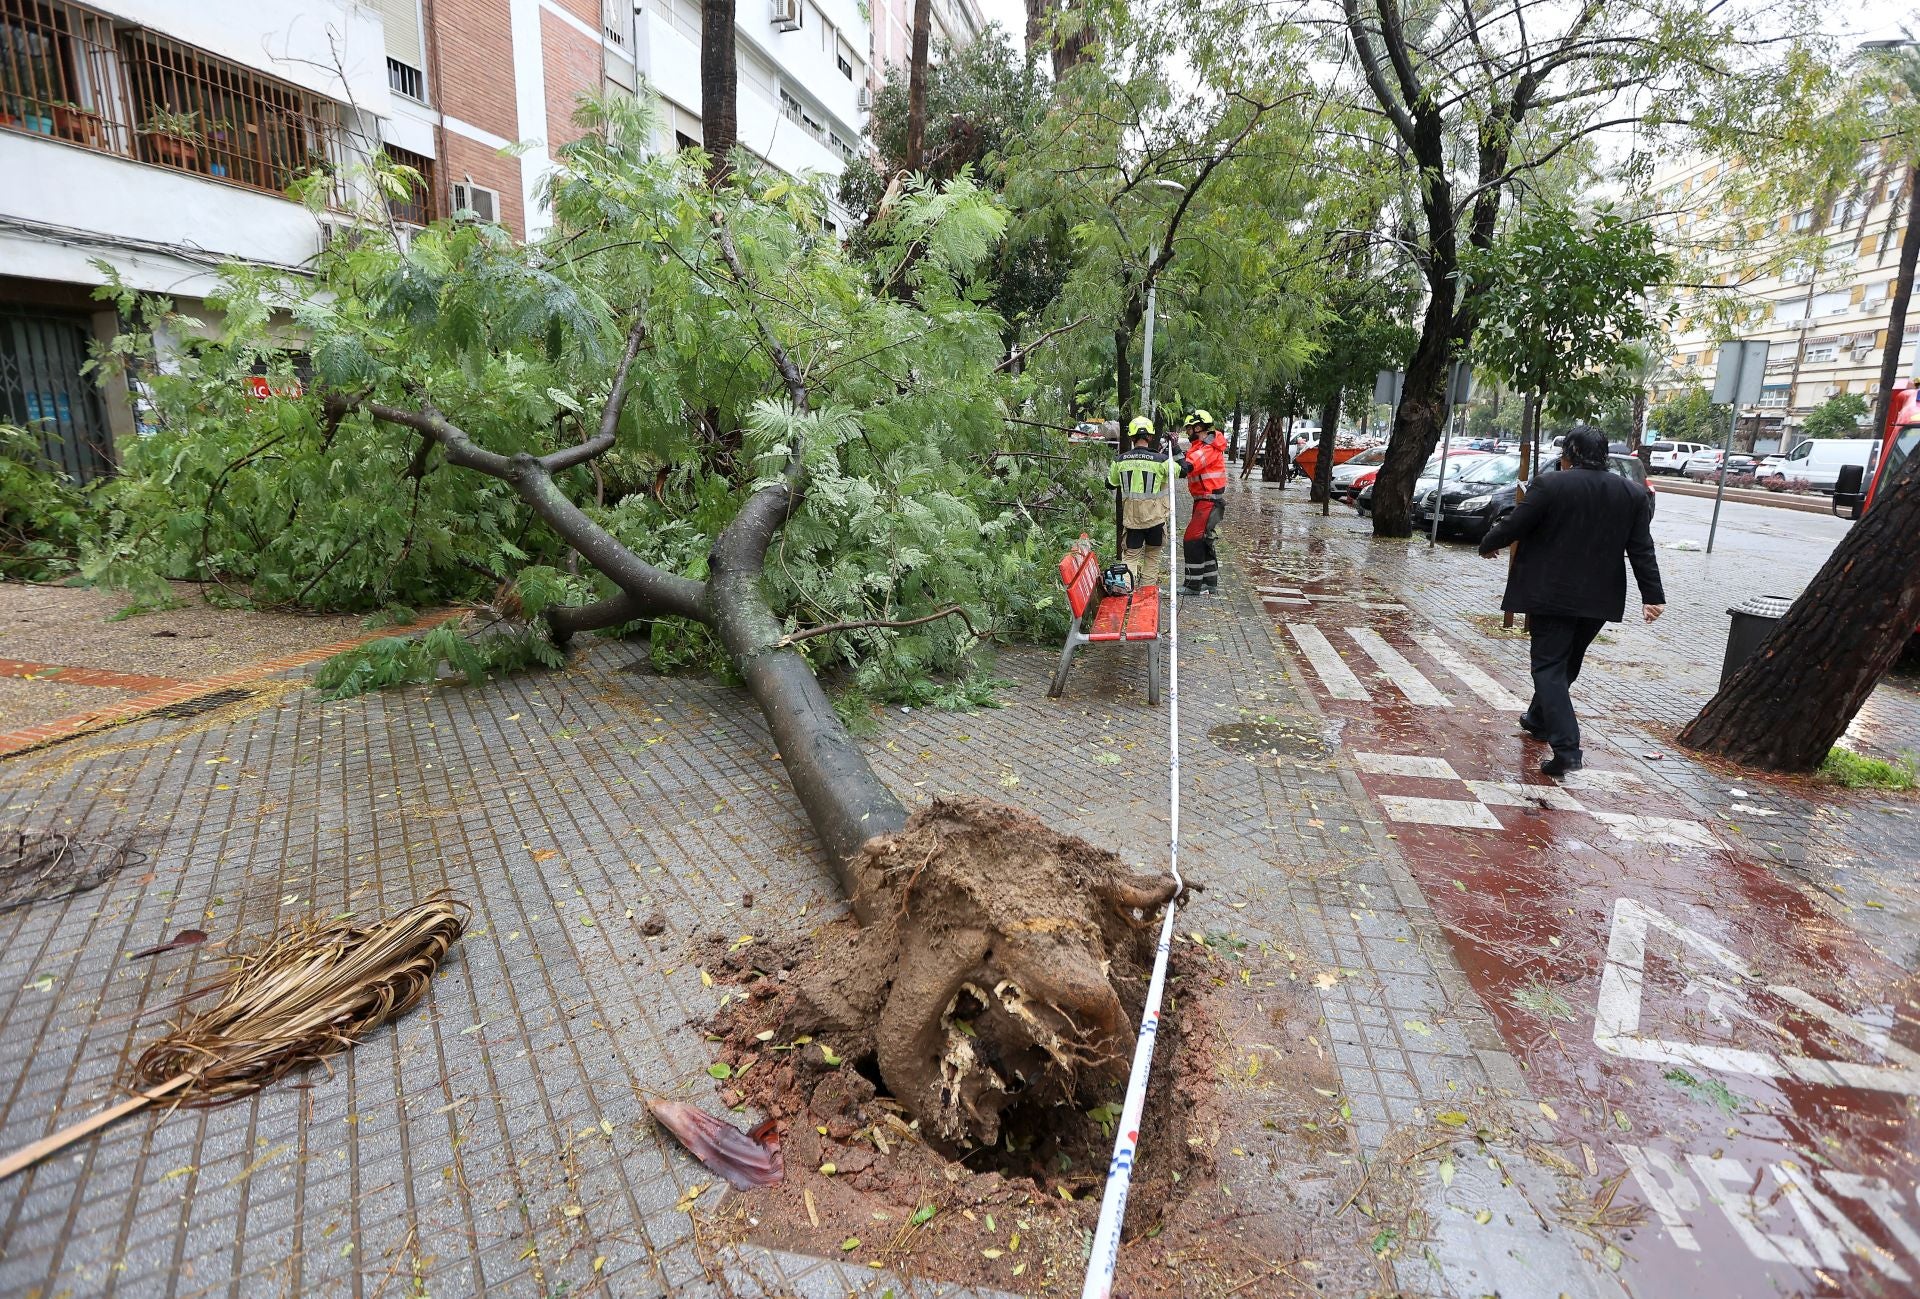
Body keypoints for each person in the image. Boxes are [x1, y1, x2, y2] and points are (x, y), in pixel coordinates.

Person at [1477, 425, 1665, 778]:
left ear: (1569, 455)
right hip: (1598, 599)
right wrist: (1652, 596)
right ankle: (1538, 719)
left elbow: (1519, 522)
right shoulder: (1632, 493)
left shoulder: (1551, 483)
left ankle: (1567, 749)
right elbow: (1641, 547)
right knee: (1566, 664)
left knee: (1549, 667)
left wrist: (1489, 543)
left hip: (1550, 594)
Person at [1107, 416, 1187, 583]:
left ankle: (1125, 594)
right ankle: (1146, 598)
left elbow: (1110, 484)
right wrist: (1176, 447)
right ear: (1150, 437)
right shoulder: (1162, 461)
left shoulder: (1119, 461)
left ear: (1131, 437)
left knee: (1130, 557)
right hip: (1156, 521)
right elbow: (1184, 470)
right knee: (1152, 558)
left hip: (1132, 520)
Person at [1181, 410, 1228, 594]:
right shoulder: (1203, 446)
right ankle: (1210, 582)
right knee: (1205, 540)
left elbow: (1188, 466)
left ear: (1198, 427)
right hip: (1204, 500)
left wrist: (1176, 451)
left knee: (1192, 539)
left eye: (1189, 428)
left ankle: (1193, 586)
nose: (1187, 432)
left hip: (1208, 501)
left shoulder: (1208, 448)